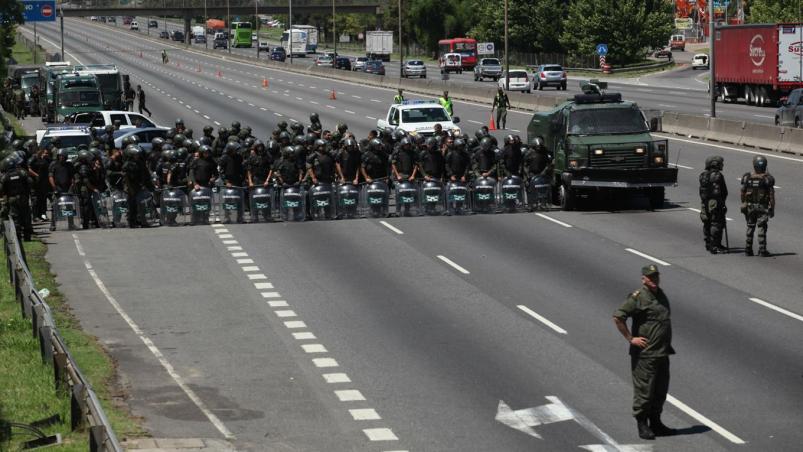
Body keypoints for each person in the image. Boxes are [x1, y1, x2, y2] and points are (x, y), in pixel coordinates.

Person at [613, 265, 676, 440]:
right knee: (645, 391)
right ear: (643, 279)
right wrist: (630, 338)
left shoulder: (660, 295)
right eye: (650, 277)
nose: (654, 280)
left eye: (656, 276)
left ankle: (656, 422)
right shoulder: (638, 298)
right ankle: (642, 424)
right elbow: (618, 317)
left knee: (660, 390)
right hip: (645, 354)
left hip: (662, 352)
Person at [740, 155, 775, 257]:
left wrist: (744, 203)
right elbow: (771, 196)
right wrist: (772, 209)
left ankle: (748, 249)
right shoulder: (768, 179)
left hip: (750, 207)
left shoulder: (747, 177)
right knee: (762, 227)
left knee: (750, 227)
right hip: (762, 208)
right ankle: (762, 250)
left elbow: (742, 192)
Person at [698, 156, 728, 254]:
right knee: (717, 224)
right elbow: (724, 191)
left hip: (705, 202)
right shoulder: (718, 176)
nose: (721, 165)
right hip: (716, 203)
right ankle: (715, 245)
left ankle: (708, 243)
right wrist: (722, 203)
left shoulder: (703, 175)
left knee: (707, 223)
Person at [0, 156, 33, 241]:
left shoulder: (5, 176)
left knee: (15, 217)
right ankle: (27, 237)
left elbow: (2, 189)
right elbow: (30, 182)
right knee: (26, 216)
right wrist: (27, 192)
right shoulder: (22, 172)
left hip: (12, 199)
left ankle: (17, 237)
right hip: (23, 197)